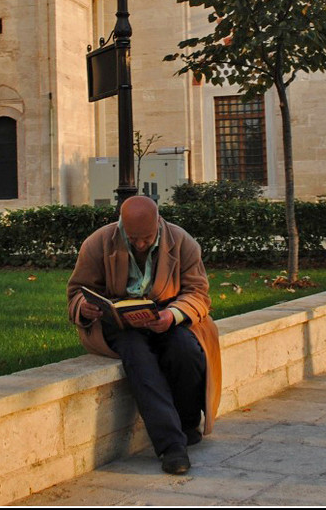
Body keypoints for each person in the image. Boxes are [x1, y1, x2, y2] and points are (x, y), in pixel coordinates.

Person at [67, 196, 221, 475]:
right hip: (119, 325)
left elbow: (198, 292)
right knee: (138, 358)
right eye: (132, 238)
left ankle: (187, 424)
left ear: (159, 223)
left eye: (146, 238)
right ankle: (171, 447)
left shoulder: (182, 241)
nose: (139, 244)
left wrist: (171, 315)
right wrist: (85, 307)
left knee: (185, 350)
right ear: (121, 225)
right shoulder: (98, 242)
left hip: (168, 316)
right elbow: (77, 290)